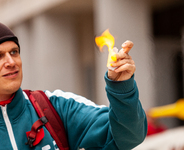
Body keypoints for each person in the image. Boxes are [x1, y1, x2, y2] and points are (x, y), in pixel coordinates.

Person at [0, 22, 147, 150]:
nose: (11, 62)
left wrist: (122, 88)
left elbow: (129, 136)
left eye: (14, 52)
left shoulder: (55, 106)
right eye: (0, 55)